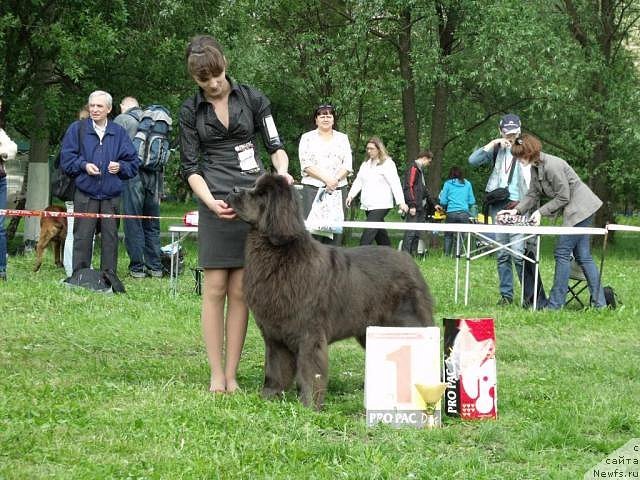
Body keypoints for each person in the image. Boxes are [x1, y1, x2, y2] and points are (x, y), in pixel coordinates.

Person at [180, 35, 293, 393]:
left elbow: (275, 147)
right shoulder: (189, 111)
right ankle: (216, 375)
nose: (212, 84)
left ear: (225, 64)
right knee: (214, 287)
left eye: (216, 75)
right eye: (204, 80)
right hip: (214, 198)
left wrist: (281, 172)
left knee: (242, 289)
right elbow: (190, 166)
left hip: (252, 202)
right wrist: (209, 201)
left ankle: (232, 374)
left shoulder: (254, 99)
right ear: (195, 80)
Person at [500, 133, 606, 310]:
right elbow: (533, 194)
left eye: (521, 155)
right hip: (579, 209)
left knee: (562, 253)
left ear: (530, 152)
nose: (518, 159)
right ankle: (600, 304)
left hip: (581, 209)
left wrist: (540, 212)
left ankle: (556, 305)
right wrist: (515, 210)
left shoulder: (552, 165)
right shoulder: (535, 167)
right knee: (583, 256)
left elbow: (563, 197)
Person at [60, 90, 139, 275]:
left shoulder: (118, 132)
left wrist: (120, 167)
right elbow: (66, 160)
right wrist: (84, 165)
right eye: (92, 106)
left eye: (99, 106)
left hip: (111, 195)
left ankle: (108, 276)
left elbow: (133, 163)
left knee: (110, 238)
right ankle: (80, 275)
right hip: (85, 193)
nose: (94, 109)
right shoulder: (77, 129)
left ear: (109, 109)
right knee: (82, 237)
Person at [468, 114, 530, 305]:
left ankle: (529, 296)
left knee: (518, 252)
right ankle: (506, 296)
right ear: (500, 131)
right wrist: (493, 143)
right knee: (502, 253)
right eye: (507, 133)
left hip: (518, 204)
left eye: (514, 132)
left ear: (519, 130)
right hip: (497, 204)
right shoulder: (496, 148)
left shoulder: (525, 148)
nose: (510, 136)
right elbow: (472, 161)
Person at [114, 96, 164, 278]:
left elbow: (113, 148)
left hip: (132, 177)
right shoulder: (152, 120)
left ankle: (137, 268)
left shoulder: (122, 120)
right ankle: (156, 267)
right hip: (155, 177)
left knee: (133, 221)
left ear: (122, 106)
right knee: (151, 222)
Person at [298, 104, 352, 244]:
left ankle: (334, 264)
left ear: (333, 119)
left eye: (329, 115)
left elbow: (347, 165)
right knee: (312, 233)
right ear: (316, 120)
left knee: (335, 232)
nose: (326, 118)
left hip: (338, 189)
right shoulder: (307, 138)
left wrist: (334, 180)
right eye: (322, 115)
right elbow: (306, 164)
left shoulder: (343, 138)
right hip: (313, 189)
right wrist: (326, 179)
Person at [346, 137, 408, 246]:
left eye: (372, 148)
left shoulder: (388, 163)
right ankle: (390, 256)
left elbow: (395, 183)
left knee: (368, 234)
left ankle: (360, 256)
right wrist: (351, 195)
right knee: (381, 235)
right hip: (368, 204)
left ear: (379, 149)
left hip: (381, 204)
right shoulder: (365, 164)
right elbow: (358, 181)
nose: (369, 151)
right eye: (368, 149)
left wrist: (401, 202)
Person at [401, 150, 436, 256]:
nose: (428, 164)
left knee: (416, 232)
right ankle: (405, 255)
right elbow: (409, 187)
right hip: (414, 206)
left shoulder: (420, 170)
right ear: (424, 158)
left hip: (421, 206)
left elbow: (424, 190)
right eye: (428, 162)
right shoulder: (414, 168)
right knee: (410, 232)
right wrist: (412, 204)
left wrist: (434, 204)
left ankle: (413, 254)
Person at [438, 166, 476, 256]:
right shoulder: (467, 184)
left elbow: (443, 201)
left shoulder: (447, 184)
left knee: (448, 235)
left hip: (451, 213)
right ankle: (457, 255)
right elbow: (472, 201)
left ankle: (446, 255)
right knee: (461, 236)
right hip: (464, 213)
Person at [0, 99, 18, 281]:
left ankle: (1, 270)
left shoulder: (0, 132)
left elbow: (11, 149)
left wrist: (3, 152)